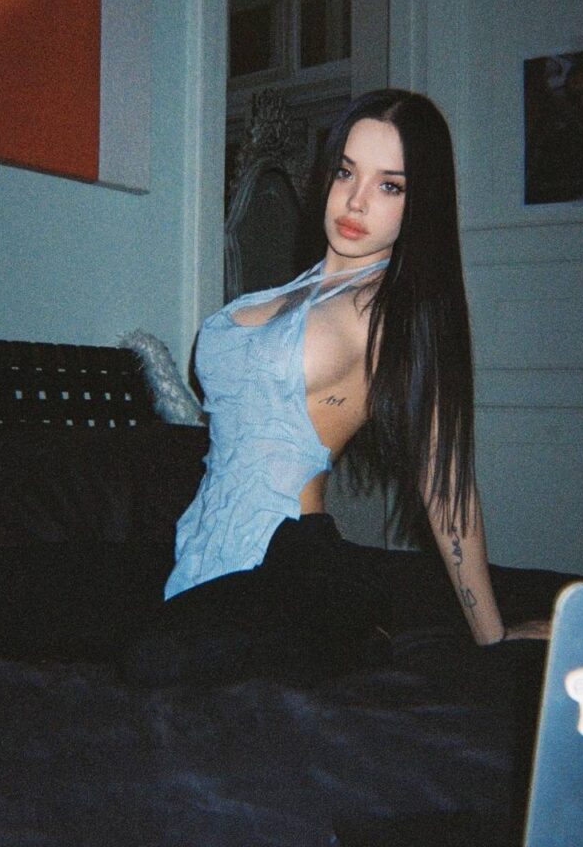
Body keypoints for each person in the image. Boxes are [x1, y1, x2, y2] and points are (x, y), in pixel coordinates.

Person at [122, 89, 549, 688]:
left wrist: (492, 636)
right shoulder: (293, 289)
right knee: (13, 591)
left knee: (152, 665)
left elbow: (444, 483)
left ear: (420, 204)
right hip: (196, 538)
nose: (355, 200)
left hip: (286, 562)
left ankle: (344, 635)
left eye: (390, 186)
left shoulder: (393, 316)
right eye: (347, 172)